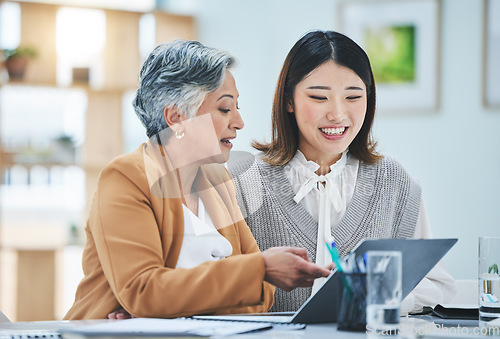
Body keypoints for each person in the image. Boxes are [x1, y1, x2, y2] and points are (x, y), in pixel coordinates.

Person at [64, 40, 331, 320]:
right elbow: (143, 292)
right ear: (177, 119)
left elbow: (262, 296)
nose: (239, 122)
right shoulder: (125, 178)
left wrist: (172, 308)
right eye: (225, 109)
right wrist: (255, 271)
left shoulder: (217, 180)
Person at [227, 30, 456, 314]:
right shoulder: (242, 180)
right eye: (319, 97)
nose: (337, 114)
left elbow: (436, 285)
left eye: (353, 96)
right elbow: (220, 283)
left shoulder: (395, 182)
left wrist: (376, 294)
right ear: (289, 101)